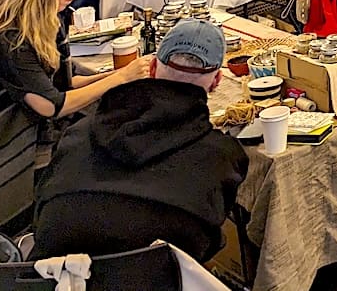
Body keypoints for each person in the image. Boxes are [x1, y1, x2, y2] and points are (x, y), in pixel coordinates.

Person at [32, 20, 248, 262]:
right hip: (156, 279)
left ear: (153, 68)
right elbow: (208, 244)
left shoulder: (78, 133)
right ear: (216, 81)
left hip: (50, 277)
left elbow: (42, 212)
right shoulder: (222, 156)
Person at [0, 0, 150, 231]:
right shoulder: (10, 36)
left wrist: (116, 75)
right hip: (10, 145)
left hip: (39, 134)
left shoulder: (51, 21)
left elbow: (66, 84)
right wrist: (120, 78)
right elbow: (49, 104)